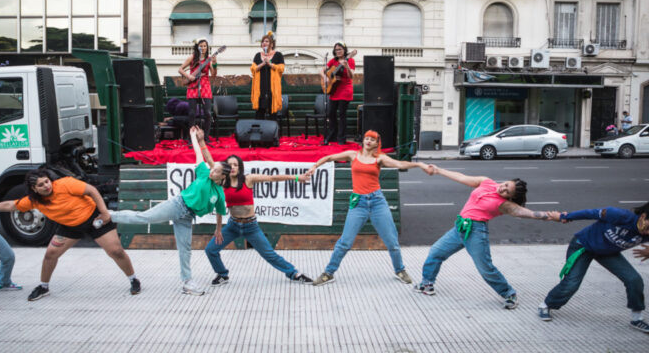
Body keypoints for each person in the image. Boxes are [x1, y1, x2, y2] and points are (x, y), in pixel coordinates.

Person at [0, 169, 141, 301]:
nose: (47, 186)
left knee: (116, 251)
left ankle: (133, 279)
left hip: (93, 217)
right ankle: (43, 286)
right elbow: (11, 205)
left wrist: (104, 212)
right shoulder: (35, 201)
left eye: (47, 181)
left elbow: (91, 190)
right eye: (41, 185)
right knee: (50, 254)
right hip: (70, 226)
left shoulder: (65, 184)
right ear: (34, 189)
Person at [109, 126, 230, 295]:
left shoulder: (219, 194)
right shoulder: (204, 173)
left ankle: (187, 282)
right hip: (177, 205)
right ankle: (109, 215)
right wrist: (193, 137)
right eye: (213, 168)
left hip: (187, 217)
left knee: (185, 249)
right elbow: (198, 154)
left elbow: (220, 212)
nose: (212, 170)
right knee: (145, 217)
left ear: (222, 177)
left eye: (216, 170)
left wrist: (218, 229)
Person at [415, 167, 551, 310]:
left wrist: (552, 217)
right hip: (460, 227)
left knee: (485, 268)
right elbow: (462, 177)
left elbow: (525, 213)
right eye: (505, 184)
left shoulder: (505, 205)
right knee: (436, 252)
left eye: (507, 192)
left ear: (510, 197)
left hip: (476, 232)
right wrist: (439, 170)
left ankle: (509, 294)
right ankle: (427, 284)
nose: (502, 189)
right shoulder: (486, 182)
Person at [307, 130, 430, 286]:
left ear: (377, 143)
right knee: (345, 242)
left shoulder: (379, 159)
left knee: (391, 241)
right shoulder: (353, 155)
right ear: (363, 140)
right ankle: (328, 273)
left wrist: (419, 164)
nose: (368, 141)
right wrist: (315, 166)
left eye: (372, 139)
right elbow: (330, 157)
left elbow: (400, 164)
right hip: (358, 203)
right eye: (366, 138)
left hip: (377, 202)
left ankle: (400, 270)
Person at [538, 199, 649, 334]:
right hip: (583, 245)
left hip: (607, 253)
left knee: (634, 280)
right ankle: (546, 305)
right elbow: (590, 213)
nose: (648, 233)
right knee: (572, 283)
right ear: (643, 216)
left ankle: (637, 319)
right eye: (648, 227)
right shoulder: (620, 215)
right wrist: (564, 216)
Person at [204, 154, 314, 285]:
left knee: (269, 255)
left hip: (250, 226)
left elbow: (272, 177)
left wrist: (296, 177)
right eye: (230, 165)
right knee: (210, 249)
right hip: (232, 226)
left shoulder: (248, 179)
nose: (233, 167)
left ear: (240, 167)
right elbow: (211, 165)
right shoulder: (222, 183)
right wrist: (200, 142)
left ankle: (294, 273)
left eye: (236, 165)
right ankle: (222, 274)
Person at [179, 39, 217, 142]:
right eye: (201, 46)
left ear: (207, 47)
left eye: (205, 46)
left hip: (205, 85)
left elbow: (213, 75)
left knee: (208, 113)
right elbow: (180, 69)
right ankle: (192, 138)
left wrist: (214, 63)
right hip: (193, 85)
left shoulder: (209, 59)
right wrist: (189, 76)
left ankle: (206, 137)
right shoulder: (192, 57)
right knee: (191, 113)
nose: (203, 48)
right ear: (198, 47)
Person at [320, 41, 355, 145]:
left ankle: (341, 139)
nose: (338, 51)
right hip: (334, 90)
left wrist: (347, 66)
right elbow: (321, 71)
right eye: (336, 50)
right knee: (331, 113)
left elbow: (351, 76)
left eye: (340, 49)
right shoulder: (332, 61)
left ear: (344, 50)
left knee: (342, 114)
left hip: (345, 90)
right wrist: (325, 77)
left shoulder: (350, 60)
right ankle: (332, 137)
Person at [250, 32, 284, 120]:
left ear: (272, 44)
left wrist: (270, 64)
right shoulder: (258, 55)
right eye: (262, 41)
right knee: (259, 113)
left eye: (266, 41)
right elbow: (253, 69)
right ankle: (259, 132)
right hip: (260, 88)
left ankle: (273, 132)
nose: (264, 43)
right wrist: (262, 64)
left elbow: (281, 69)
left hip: (272, 88)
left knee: (273, 114)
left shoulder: (278, 55)